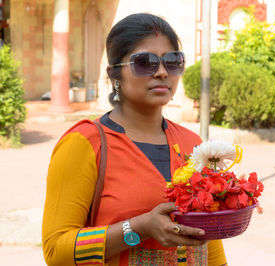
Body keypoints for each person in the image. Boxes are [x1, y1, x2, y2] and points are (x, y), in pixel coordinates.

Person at [42, 13, 227, 265]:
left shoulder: (192, 145)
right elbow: (56, 252)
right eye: (145, 62)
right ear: (114, 75)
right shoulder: (85, 143)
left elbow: (209, 242)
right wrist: (137, 229)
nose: (162, 72)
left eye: (172, 61)